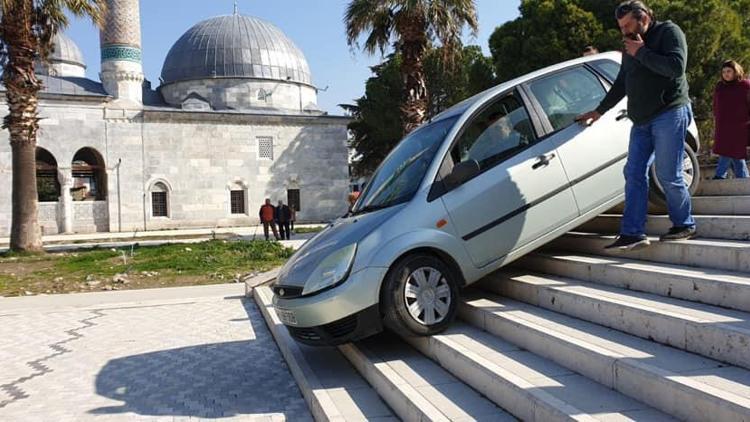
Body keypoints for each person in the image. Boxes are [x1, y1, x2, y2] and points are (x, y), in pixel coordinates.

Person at [576, 0, 696, 250]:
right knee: (632, 173)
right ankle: (632, 233)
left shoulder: (669, 32)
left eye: (628, 24)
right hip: (641, 121)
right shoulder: (629, 44)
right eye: (621, 26)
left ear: (644, 17)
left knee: (667, 173)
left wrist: (641, 52)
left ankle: (684, 224)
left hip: (669, 112)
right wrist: (599, 111)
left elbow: (675, 68)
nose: (624, 31)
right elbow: (622, 82)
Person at [712, 60, 750, 179]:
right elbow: (715, 106)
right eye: (723, 72)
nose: (726, 74)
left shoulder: (745, 86)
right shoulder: (720, 87)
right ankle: (744, 180)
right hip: (723, 126)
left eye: (729, 71)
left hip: (740, 126)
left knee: (728, 150)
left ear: (735, 71)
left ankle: (719, 176)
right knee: (735, 154)